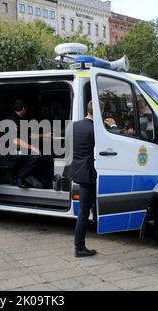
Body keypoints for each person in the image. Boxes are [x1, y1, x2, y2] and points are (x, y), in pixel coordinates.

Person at [64, 101, 97, 258]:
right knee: (84, 211)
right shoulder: (95, 129)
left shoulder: (73, 126)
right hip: (87, 174)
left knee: (85, 209)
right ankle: (79, 247)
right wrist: (112, 127)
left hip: (75, 170)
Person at [6, 99, 44, 189]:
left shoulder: (19, 119)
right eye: (26, 109)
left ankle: (29, 176)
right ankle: (19, 177)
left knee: (41, 154)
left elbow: (28, 135)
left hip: (18, 148)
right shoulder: (12, 120)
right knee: (35, 155)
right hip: (11, 150)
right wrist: (32, 147)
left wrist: (44, 135)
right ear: (23, 108)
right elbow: (15, 140)